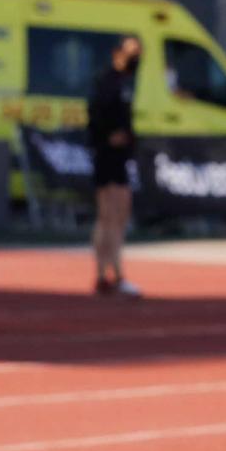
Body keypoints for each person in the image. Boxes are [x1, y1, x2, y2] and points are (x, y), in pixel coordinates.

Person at [88, 33, 142, 298]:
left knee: (119, 214)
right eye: (131, 51)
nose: (135, 58)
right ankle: (107, 273)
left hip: (121, 156)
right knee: (108, 214)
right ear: (117, 52)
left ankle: (113, 271)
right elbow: (95, 118)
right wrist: (109, 137)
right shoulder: (106, 82)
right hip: (106, 155)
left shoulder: (127, 82)